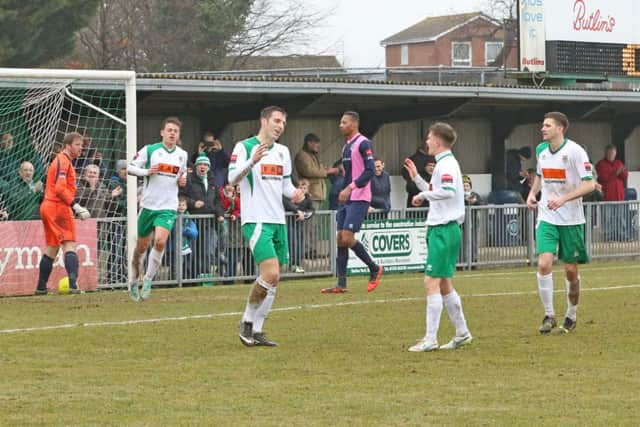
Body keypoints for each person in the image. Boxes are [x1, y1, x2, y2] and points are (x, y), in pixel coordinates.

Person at [228, 105, 305, 347]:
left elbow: (285, 186)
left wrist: (297, 194)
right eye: (277, 120)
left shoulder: (282, 151)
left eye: (283, 122)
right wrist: (252, 161)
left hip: (278, 220)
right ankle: (246, 323)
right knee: (269, 273)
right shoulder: (245, 147)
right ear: (264, 121)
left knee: (275, 278)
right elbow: (232, 179)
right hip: (256, 220)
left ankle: (258, 330)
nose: (280, 126)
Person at [403, 122, 472, 352]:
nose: (427, 142)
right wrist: (417, 180)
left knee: (430, 281)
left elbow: (448, 192)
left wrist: (422, 193)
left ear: (438, 141)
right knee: (444, 284)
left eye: (430, 138)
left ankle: (430, 338)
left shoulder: (448, 165)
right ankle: (462, 332)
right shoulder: (444, 164)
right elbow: (437, 192)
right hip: (441, 227)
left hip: (444, 228)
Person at [526, 112, 595, 334]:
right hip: (547, 215)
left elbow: (590, 185)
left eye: (547, 125)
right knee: (544, 263)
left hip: (571, 219)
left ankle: (571, 315)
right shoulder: (541, 150)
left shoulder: (575, 151)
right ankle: (549, 315)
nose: (542, 129)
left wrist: (564, 199)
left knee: (570, 270)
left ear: (560, 128)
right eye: (542, 125)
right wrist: (532, 193)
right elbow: (540, 175)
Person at [321, 111, 383, 294]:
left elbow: (370, 170)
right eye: (340, 122)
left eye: (344, 122)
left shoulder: (363, 143)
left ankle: (374, 268)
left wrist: (351, 188)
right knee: (340, 239)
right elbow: (348, 173)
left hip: (360, 197)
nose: (340, 125)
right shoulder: (346, 147)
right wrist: (343, 189)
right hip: (347, 198)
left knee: (347, 238)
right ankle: (341, 284)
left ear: (354, 124)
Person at [127, 116, 188, 302]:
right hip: (148, 205)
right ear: (162, 132)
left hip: (168, 206)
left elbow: (182, 174)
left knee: (160, 241)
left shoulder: (182, 155)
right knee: (141, 248)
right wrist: (146, 172)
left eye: (175, 131)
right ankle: (133, 279)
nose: (172, 133)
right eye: (169, 130)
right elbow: (130, 167)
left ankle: (148, 280)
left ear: (178, 135)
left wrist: (182, 179)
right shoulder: (150, 150)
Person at [34, 132, 91, 295]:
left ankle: (41, 287)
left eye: (82, 145)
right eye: (78, 144)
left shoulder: (62, 161)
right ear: (68, 145)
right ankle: (73, 285)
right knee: (69, 244)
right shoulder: (63, 161)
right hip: (58, 207)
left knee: (52, 247)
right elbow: (59, 188)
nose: (81, 148)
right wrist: (75, 206)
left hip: (50, 207)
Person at [180, 153, 225, 280]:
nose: (203, 167)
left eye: (205, 165)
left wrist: (220, 214)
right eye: (200, 164)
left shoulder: (212, 182)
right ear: (196, 166)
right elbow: (181, 197)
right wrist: (193, 203)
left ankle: (203, 276)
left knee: (206, 251)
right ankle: (189, 279)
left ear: (209, 167)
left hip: (209, 223)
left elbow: (218, 201)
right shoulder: (188, 180)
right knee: (192, 252)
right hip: (192, 222)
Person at [595, 145, 628, 241]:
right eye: (609, 153)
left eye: (613, 153)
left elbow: (625, 176)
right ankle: (607, 236)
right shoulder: (600, 164)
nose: (611, 155)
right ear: (605, 153)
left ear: (615, 153)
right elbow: (603, 177)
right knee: (607, 218)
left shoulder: (619, 162)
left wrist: (620, 172)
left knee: (620, 217)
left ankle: (621, 235)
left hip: (619, 196)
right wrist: (616, 173)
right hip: (607, 197)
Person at [283, 178, 314, 273]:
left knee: (300, 242)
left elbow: (311, 210)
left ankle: (298, 263)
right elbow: (287, 205)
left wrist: (305, 215)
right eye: (301, 188)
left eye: (305, 188)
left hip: (299, 224)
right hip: (290, 223)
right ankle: (292, 264)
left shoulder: (308, 199)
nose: (303, 190)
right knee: (292, 242)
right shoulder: (291, 197)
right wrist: (296, 210)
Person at [401, 138, 434, 208]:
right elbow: (410, 182)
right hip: (415, 199)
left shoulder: (435, 159)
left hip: (428, 200)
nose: (432, 168)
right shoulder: (412, 160)